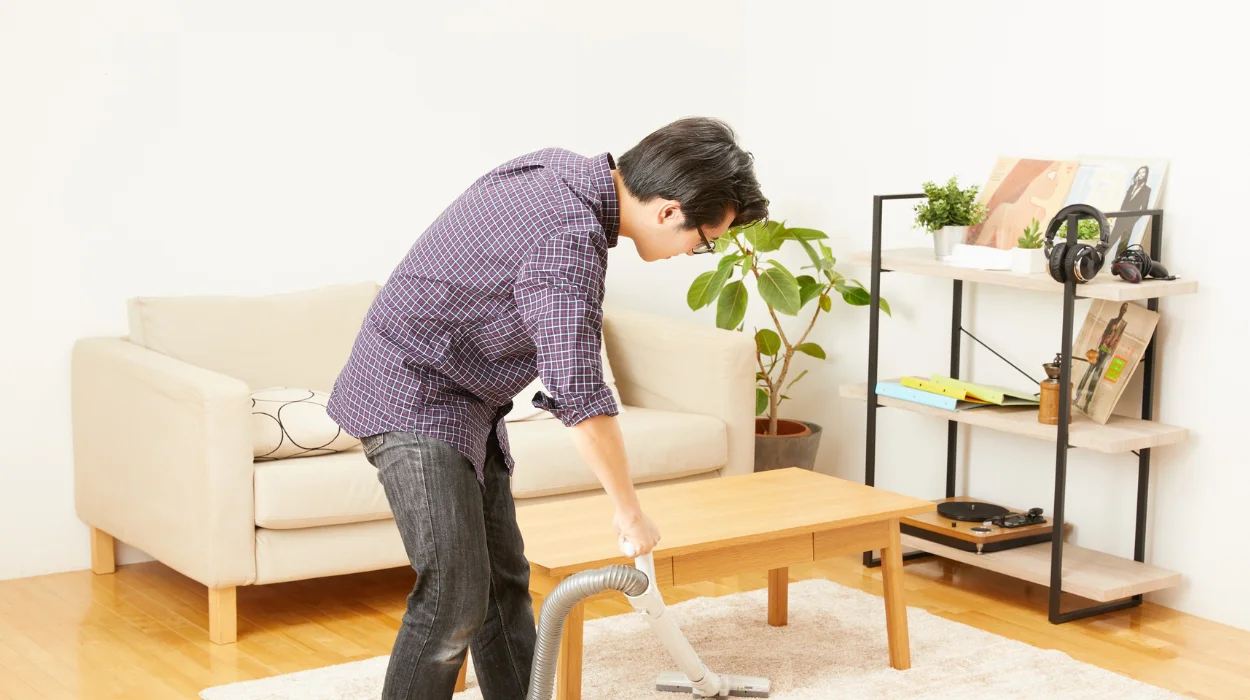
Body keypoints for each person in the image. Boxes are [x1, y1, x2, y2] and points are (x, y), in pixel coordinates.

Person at [325, 117, 768, 700]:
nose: (696, 252)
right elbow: (579, 394)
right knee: (454, 598)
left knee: (502, 583)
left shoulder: (557, 167)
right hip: (411, 394)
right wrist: (629, 513)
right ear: (668, 211)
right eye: (705, 241)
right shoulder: (569, 238)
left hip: (466, 398)